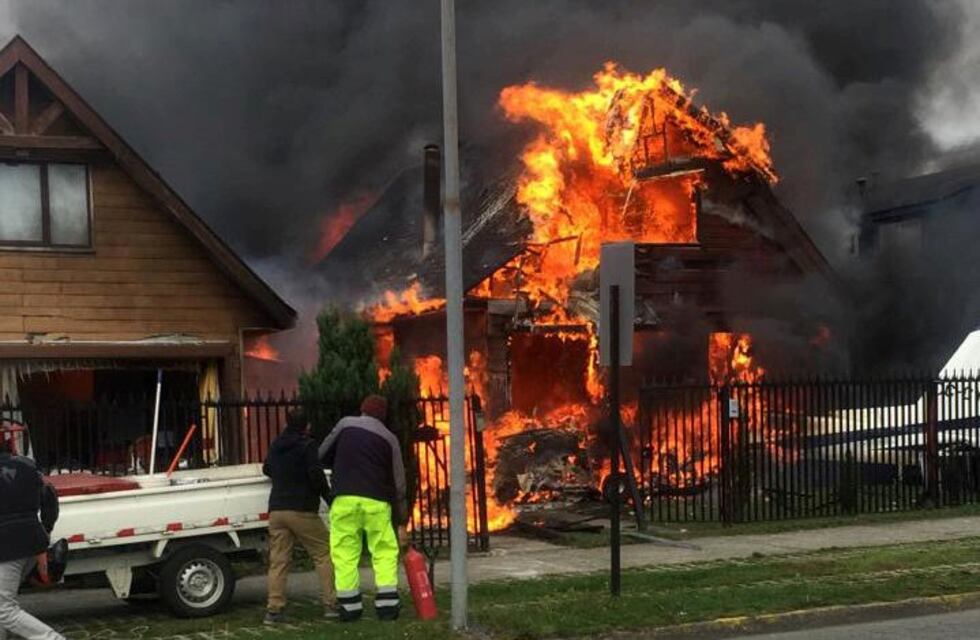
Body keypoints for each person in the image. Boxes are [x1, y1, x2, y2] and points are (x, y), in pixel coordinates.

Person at [319, 395, 407, 622]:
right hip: (376, 502)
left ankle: (349, 608)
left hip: (345, 499)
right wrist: (402, 517)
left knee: (345, 553)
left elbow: (321, 454)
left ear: (362, 409)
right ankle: (387, 607)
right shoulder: (390, 438)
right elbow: (399, 483)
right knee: (384, 551)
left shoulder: (345, 424)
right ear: (383, 415)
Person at [262, 410, 336, 625]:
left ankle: (274, 610)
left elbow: (267, 468)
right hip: (301, 508)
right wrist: (329, 498)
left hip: (277, 509)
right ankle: (331, 604)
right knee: (323, 552)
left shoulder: (277, 444)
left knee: (279, 561)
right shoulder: (308, 445)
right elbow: (316, 475)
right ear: (307, 426)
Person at [0, 434, 64, 640]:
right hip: (31, 541)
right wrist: (44, 535)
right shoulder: (27, 465)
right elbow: (49, 499)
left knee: (3, 610)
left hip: (6, 547)